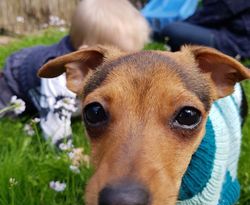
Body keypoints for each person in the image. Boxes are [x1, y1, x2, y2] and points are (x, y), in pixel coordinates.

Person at [0, 0, 150, 147]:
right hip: (15, 82)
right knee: (7, 111)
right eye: (120, 59)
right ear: (90, 56)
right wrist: (68, 153)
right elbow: (55, 121)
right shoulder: (60, 76)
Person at [153, 0, 250, 60]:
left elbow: (209, 17)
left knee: (171, 29)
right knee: (175, 31)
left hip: (234, 42)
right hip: (225, 31)